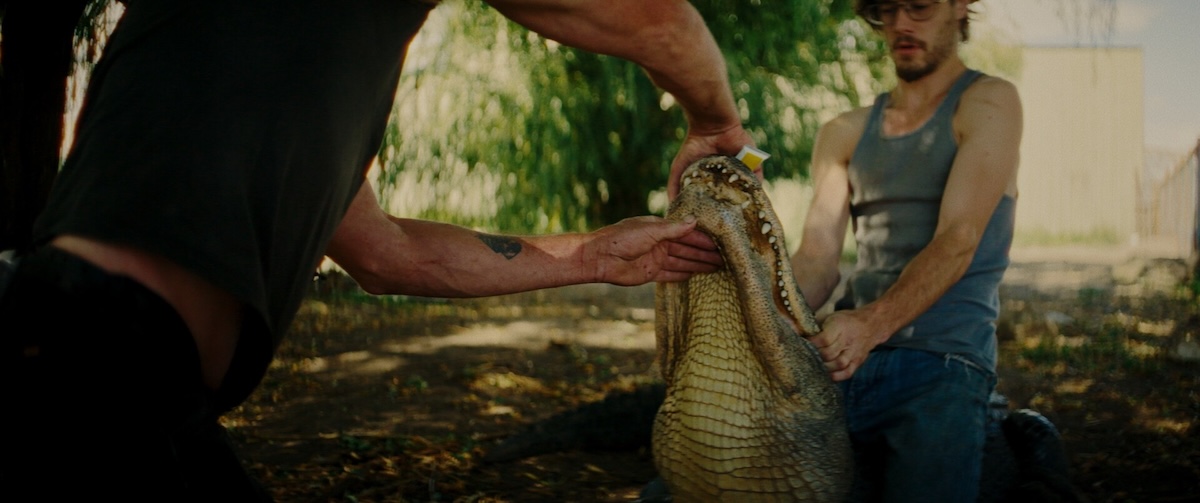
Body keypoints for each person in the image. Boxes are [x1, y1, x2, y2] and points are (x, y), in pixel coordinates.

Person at [0, 0, 755, 499]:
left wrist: (594, 254)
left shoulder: (292, 34)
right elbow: (661, 24)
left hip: (134, 380)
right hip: (92, 354)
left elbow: (384, 250)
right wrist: (717, 124)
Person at [788, 0, 1022, 500]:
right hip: (844, 354)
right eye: (886, 10)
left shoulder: (989, 103)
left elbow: (958, 240)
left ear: (960, 7)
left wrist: (871, 325)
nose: (900, 25)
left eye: (919, 6)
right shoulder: (843, 132)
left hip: (943, 359)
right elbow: (815, 262)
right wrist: (765, 319)